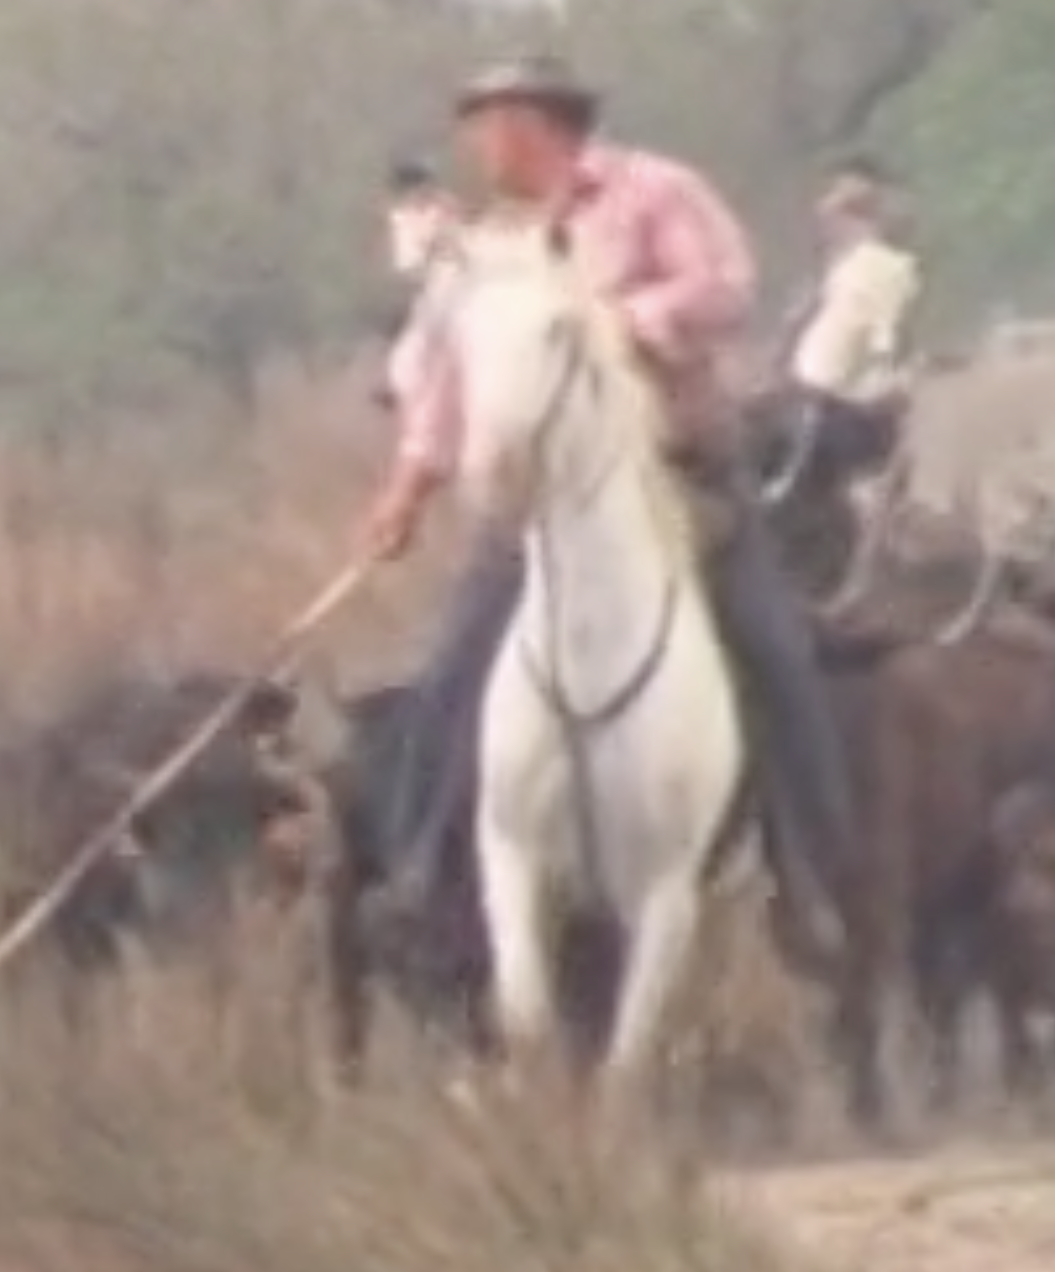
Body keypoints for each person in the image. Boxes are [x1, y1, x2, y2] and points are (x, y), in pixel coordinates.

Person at [352, 55, 858, 975]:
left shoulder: (653, 190)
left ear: (541, 125)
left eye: (492, 121)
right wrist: (408, 491)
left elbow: (725, 287)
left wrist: (612, 321)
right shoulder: (480, 248)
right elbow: (443, 378)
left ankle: (812, 881)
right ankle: (421, 872)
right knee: (452, 668)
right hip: (538, 502)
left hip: (679, 472)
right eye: (474, 124)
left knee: (778, 653)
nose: (478, 142)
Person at [786, 156, 924, 407]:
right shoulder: (829, 276)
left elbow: (888, 343)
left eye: (846, 208)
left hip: (843, 403)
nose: (826, 212)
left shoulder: (883, 270)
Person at [368, 159, 459, 411]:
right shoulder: (402, 218)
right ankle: (391, 380)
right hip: (421, 283)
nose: (415, 196)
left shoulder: (443, 211)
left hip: (451, 277)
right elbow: (408, 261)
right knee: (397, 326)